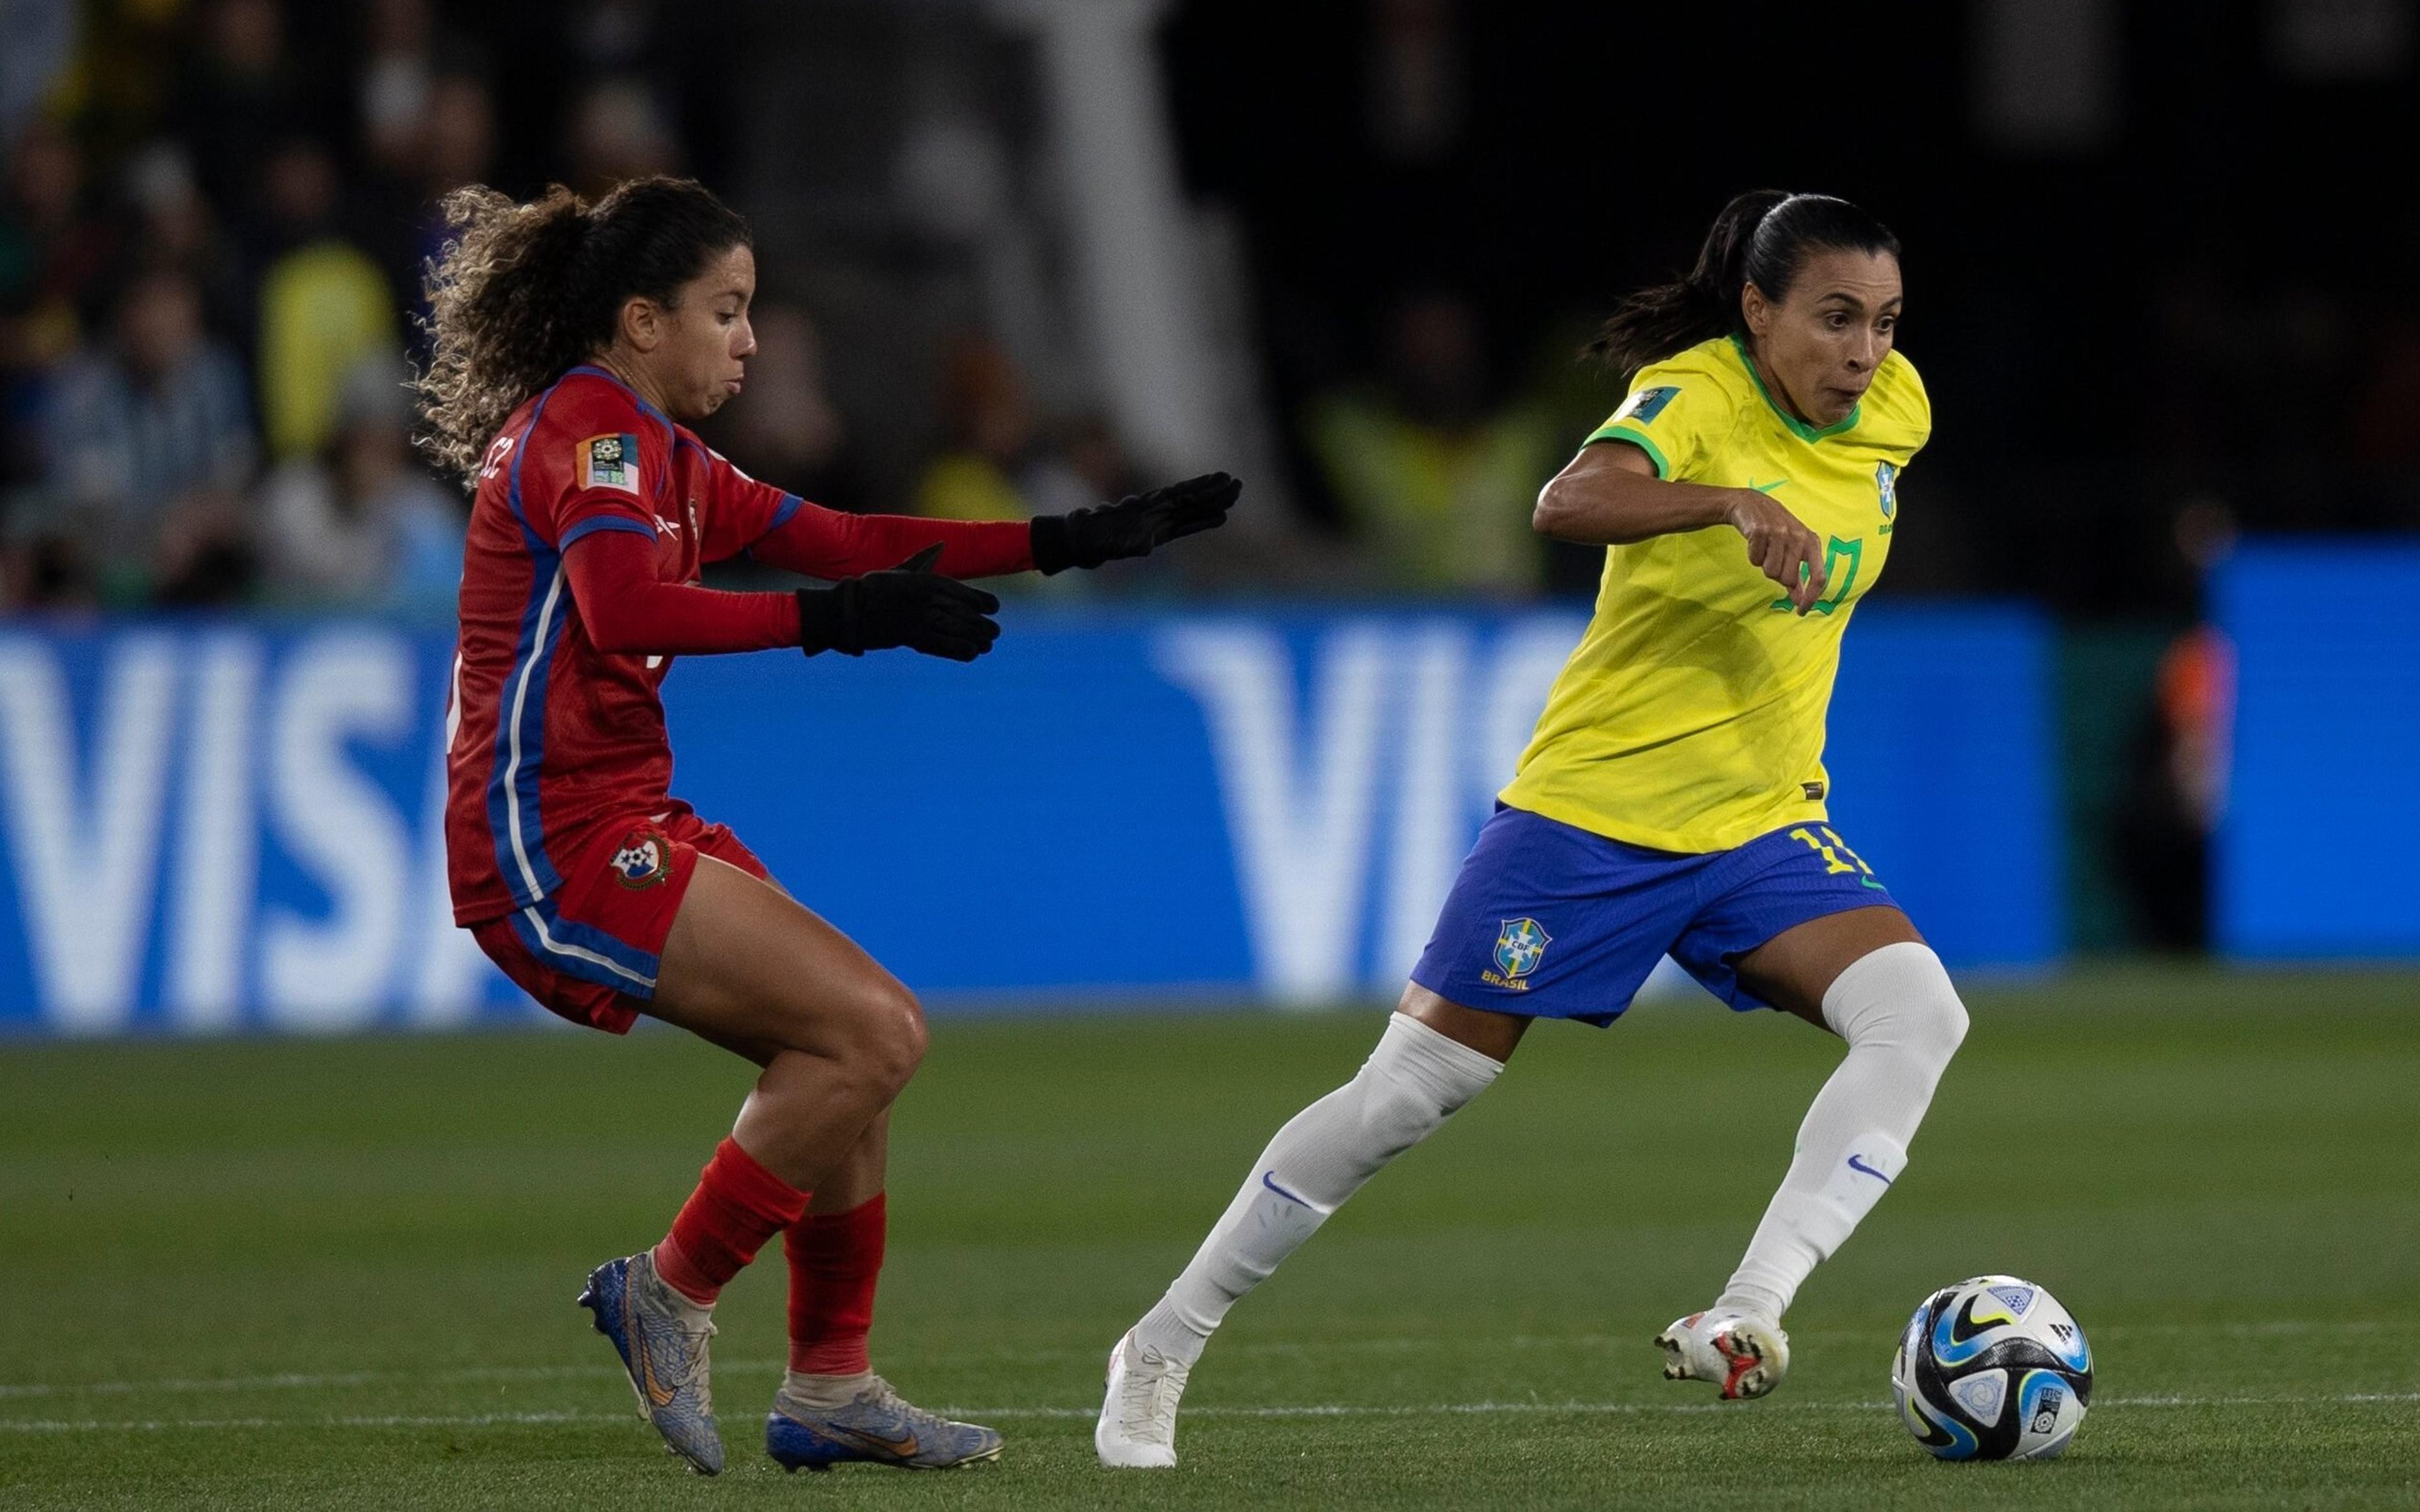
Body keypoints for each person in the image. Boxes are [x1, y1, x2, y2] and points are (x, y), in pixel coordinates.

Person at [1097, 190, 1962, 1467]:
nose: (1864, 353)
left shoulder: (1900, 410)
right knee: (1411, 1093)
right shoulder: (1696, 397)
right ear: (1759, 309)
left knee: (1919, 1014)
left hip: (1760, 820)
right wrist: (1725, 505)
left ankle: (1748, 1307)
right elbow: (1568, 501)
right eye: (1835, 319)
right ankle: (1163, 1342)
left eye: (1884, 323)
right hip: (1594, 818)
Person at [417, 175, 1239, 1477]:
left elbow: (846, 534)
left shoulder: (663, 451)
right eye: (726, 312)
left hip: (624, 810)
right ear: (641, 320)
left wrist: (1070, 538)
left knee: (848, 1048)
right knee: (876, 1030)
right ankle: (669, 1295)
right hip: (549, 839)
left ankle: (831, 1387)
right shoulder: (594, 434)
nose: (748, 341)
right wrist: (830, 624)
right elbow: (627, 609)